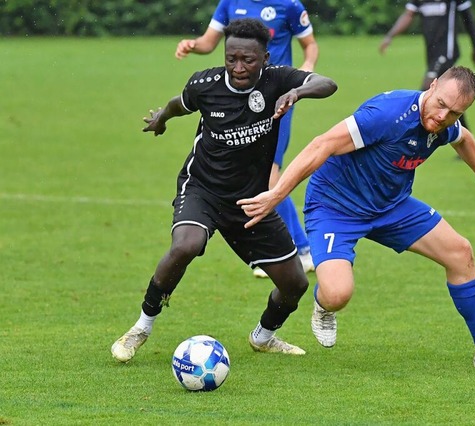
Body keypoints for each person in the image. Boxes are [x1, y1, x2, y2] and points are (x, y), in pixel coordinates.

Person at [238, 66, 475, 368]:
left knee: (460, 253)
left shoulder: (445, 123)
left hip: (391, 207)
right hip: (336, 207)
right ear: (433, 86)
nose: (442, 117)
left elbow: (464, 140)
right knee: (337, 294)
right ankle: (323, 306)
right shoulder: (386, 114)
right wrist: (276, 194)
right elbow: (322, 144)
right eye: (441, 105)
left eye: (454, 113)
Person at [111, 18, 337, 363]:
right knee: (187, 244)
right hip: (202, 188)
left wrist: (298, 91)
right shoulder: (207, 84)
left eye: (247, 59)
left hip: (250, 201)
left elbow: (327, 83)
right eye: (231, 58)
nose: (238, 67)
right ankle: (141, 328)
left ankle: (263, 337)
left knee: (295, 284)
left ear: (265, 56)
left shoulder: (279, 79)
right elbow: (179, 103)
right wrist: (162, 118)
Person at [175, 0, 320, 276]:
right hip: (238, 98)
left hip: (275, 99)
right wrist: (192, 45)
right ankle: (280, 250)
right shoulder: (230, 3)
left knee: (271, 177)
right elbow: (209, 42)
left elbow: (310, 44)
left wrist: (306, 69)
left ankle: (300, 249)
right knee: (253, 176)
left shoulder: (288, 5)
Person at [379, 0, 475, 132]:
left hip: (446, 52)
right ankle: (465, 140)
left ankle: (406, 136)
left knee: (425, 94)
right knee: (451, 103)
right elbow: (408, 15)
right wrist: (390, 36)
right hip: (432, 54)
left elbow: (468, 19)